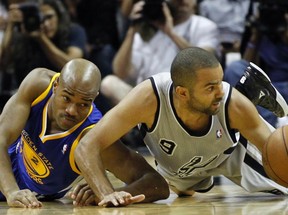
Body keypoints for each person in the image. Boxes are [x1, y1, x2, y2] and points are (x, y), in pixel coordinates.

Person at [74, 47, 288, 206]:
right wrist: (105, 192)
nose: (220, 92)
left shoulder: (231, 103)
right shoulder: (148, 98)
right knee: (178, 192)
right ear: (182, 93)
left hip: (229, 154)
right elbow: (87, 145)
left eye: (220, 82)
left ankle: (265, 107)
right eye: (211, 87)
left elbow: (275, 149)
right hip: (179, 170)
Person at [0, 58, 169, 208]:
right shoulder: (38, 85)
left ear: (94, 98)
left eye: (83, 104)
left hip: (33, 196)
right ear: (56, 85)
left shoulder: (93, 135)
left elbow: (157, 184)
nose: (72, 110)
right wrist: (11, 191)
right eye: (67, 98)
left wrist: (117, 193)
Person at [101, 0, 219, 106]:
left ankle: (143, 123)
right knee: (109, 82)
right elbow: (121, 73)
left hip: (181, 95)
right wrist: (132, 31)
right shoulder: (146, 30)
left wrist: (171, 33)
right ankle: (143, 123)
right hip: (146, 97)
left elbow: (204, 62)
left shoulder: (204, 25)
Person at [224, 1, 288, 127]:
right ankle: (271, 123)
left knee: (268, 93)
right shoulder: (264, 27)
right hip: (268, 83)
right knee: (235, 68)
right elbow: (249, 63)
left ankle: (267, 128)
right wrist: (255, 35)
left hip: (286, 85)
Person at [0, 0, 87, 92]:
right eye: (40, 19)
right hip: (28, 92)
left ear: (58, 16)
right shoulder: (23, 34)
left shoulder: (74, 31)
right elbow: (3, 64)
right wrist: (10, 27)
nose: (46, 24)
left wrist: (41, 38)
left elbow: (70, 66)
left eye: (49, 17)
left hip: (64, 92)